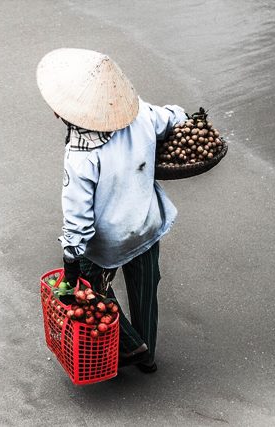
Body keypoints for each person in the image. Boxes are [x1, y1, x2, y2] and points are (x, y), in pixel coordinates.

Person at [36, 48, 187, 373]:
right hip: (146, 226)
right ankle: (148, 358)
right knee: (145, 291)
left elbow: (78, 218)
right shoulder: (143, 114)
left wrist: (71, 260)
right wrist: (185, 119)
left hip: (109, 243)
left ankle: (132, 345)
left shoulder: (81, 154)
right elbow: (175, 116)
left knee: (89, 290)